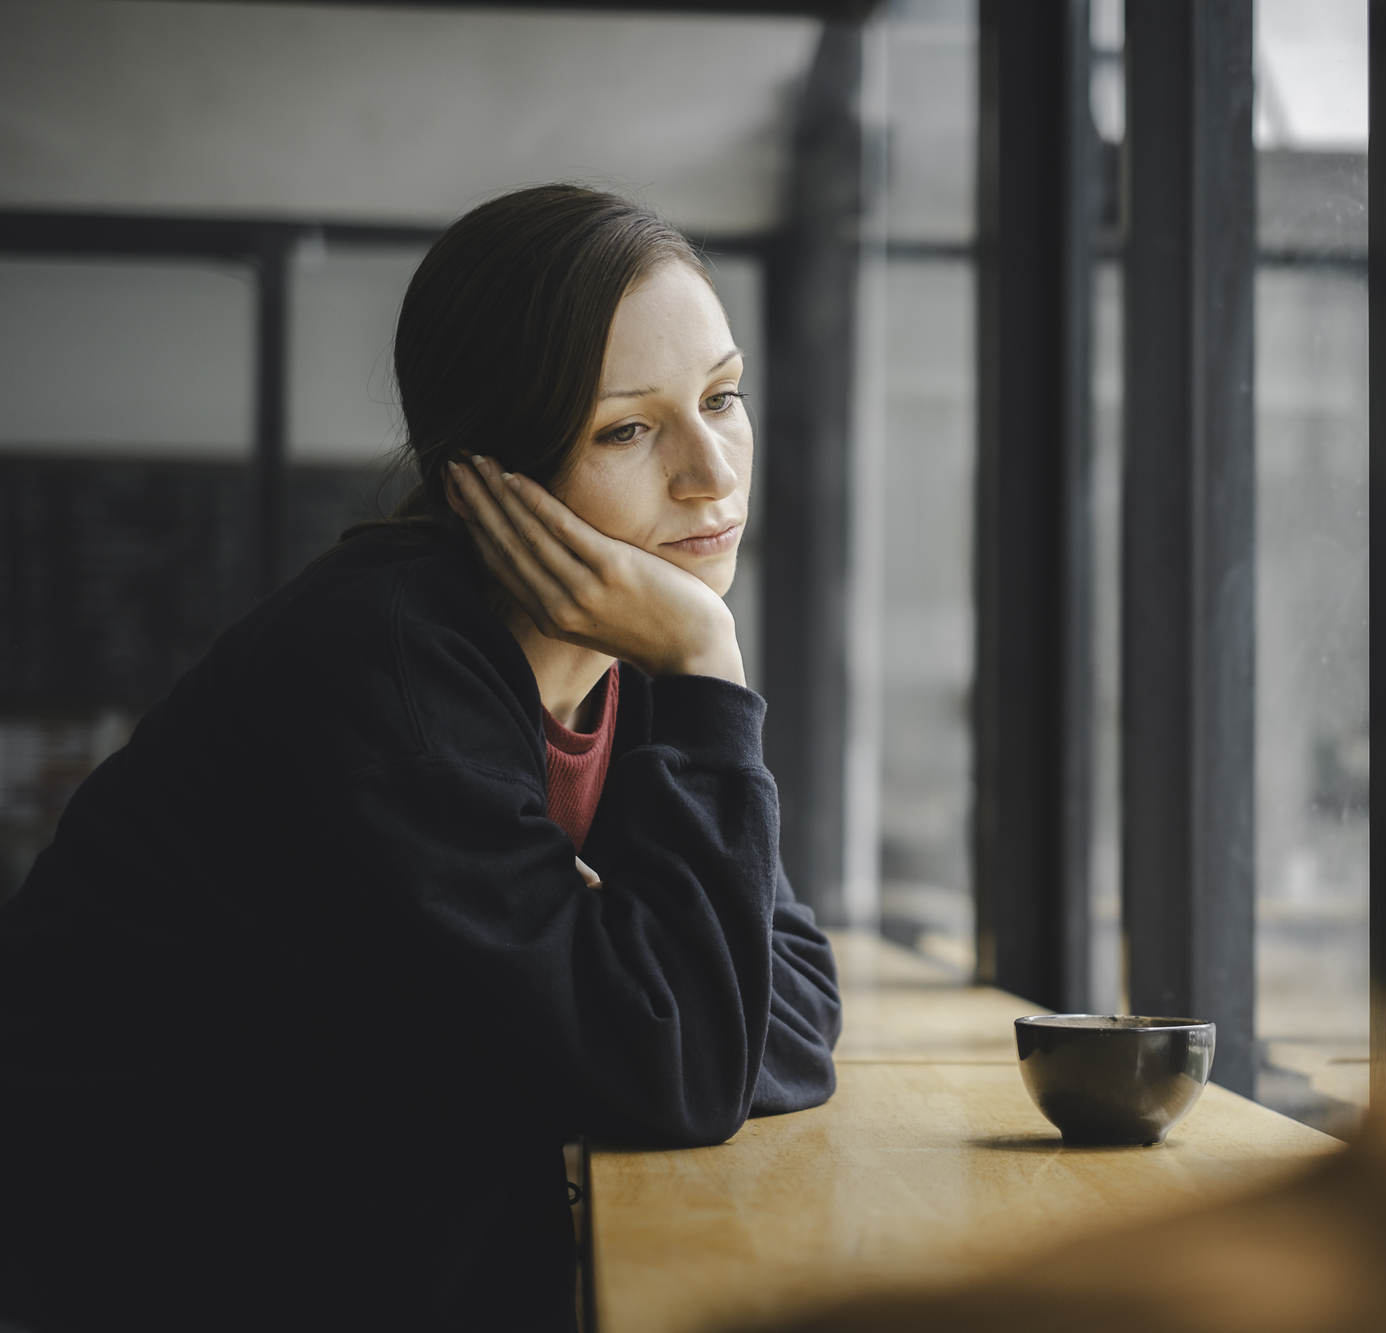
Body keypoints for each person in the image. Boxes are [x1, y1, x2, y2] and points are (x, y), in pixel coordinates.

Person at [0, 184, 840, 1332]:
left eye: (722, 396)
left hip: (374, 1249)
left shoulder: (624, 664)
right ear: (487, 472)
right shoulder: (381, 667)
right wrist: (705, 654)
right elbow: (680, 1067)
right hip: (153, 1270)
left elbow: (788, 1008)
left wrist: (661, 1012)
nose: (711, 472)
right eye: (627, 428)